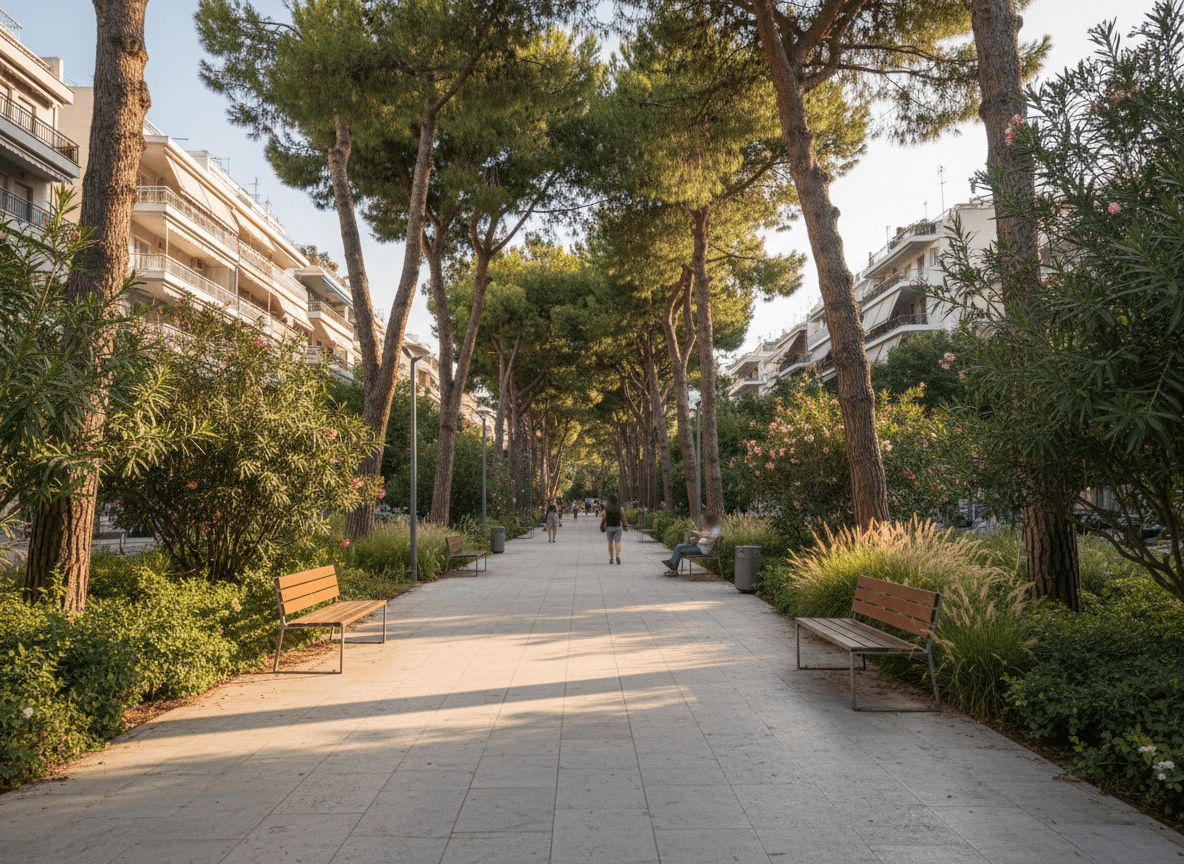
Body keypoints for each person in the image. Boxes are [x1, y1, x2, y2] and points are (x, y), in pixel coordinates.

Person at [600, 494, 629, 565]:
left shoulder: (606, 509)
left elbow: (604, 518)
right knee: (617, 542)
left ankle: (611, 558)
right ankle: (617, 556)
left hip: (609, 527)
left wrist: (602, 527)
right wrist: (625, 525)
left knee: (610, 543)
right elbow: (623, 518)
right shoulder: (620, 509)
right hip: (618, 527)